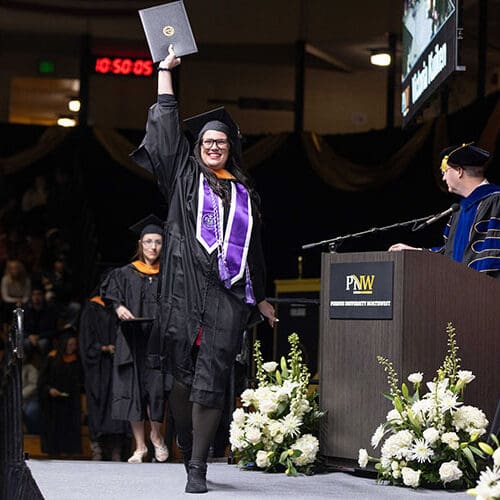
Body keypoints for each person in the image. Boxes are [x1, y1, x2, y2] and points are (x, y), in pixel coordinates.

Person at [130, 45, 276, 493]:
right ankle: (186, 438)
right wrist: (165, 72)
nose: (213, 146)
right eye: (207, 141)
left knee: (213, 378)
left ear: (230, 149)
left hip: (227, 295)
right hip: (182, 292)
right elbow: (167, 130)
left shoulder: (244, 194)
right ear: (199, 147)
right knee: (180, 378)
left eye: (221, 142)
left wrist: (262, 295)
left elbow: (252, 249)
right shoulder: (183, 177)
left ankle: (198, 468)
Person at [100, 216, 168, 464]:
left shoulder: (169, 276)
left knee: (157, 391)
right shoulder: (125, 274)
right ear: (140, 244)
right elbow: (109, 294)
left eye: (158, 242)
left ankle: (156, 436)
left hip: (157, 341)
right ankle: (140, 447)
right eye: (148, 241)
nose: (153, 247)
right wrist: (118, 307)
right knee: (133, 391)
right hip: (131, 340)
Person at [389, 143, 500, 278]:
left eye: (445, 171)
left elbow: (492, 256)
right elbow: (449, 254)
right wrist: (416, 252)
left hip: (485, 294)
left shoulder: (495, 202)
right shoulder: (459, 210)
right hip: (459, 292)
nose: (443, 178)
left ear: (459, 171)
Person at [79, 283, 129, 461]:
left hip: (117, 366)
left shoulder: (119, 308)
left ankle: (116, 449)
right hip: (99, 368)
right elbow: (86, 342)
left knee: (117, 406)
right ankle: (97, 449)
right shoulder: (92, 308)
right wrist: (102, 348)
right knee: (98, 404)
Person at [38, 330, 83, 457]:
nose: (72, 348)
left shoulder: (76, 360)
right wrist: (49, 390)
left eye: (74, 345)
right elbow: (41, 382)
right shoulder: (51, 358)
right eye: (70, 345)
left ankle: (69, 453)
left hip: (70, 402)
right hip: (53, 403)